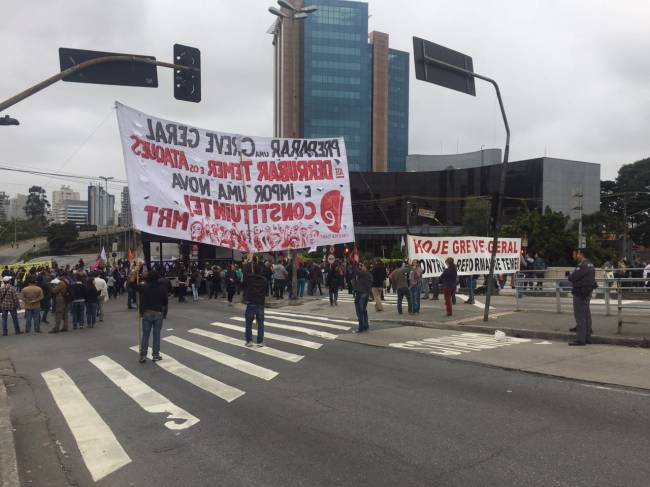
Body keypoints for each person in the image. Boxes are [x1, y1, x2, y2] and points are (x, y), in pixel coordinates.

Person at [133, 269, 168, 363]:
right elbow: (165, 302)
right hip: (158, 313)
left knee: (145, 335)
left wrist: (133, 273)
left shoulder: (144, 287)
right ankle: (155, 355)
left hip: (147, 312)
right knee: (156, 335)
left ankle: (143, 355)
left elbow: (131, 285)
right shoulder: (162, 288)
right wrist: (164, 314)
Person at [567, 248, 597, 346]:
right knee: (586, 315)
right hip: (587, 292)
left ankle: (581, 339)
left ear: (581, 254)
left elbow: (572, 278)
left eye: (577, 254)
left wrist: (570, 275)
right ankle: (587, 338)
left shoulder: (582, 266)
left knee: (580, 316)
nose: (575, 256)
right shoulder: (591, 265)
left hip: (580, 292)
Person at [243, 262, 267, 347]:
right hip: (260, 303)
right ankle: (260, 342)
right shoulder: (264, 280)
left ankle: (249, 341)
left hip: (251, 303)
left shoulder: (249, 279)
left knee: (248, 323)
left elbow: (244, 277)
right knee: (260, 323)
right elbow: (266, 293)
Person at [353, 262, 373, 332]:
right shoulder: (369, 274)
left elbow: (355, 271)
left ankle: (361, 327)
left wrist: (355, 264)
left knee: (359, 311)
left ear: (366, 267)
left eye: (363, 266)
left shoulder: (364, 273)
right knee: (364, 310)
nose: (361, 267)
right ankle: (366, 325)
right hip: (366, 293)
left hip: (360, 293)